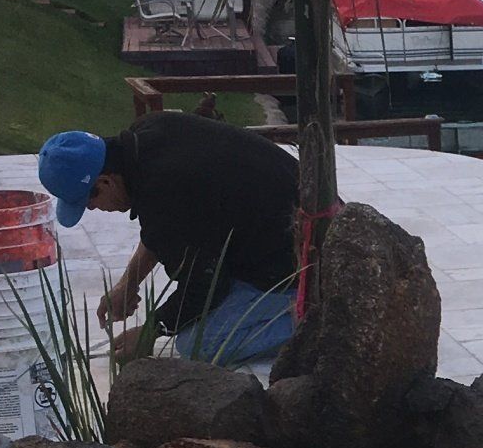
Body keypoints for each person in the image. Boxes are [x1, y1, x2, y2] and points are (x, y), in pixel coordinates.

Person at [38, 114, 300, 365]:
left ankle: (312, 320)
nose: (94, 209)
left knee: (198, 344)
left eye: (89, 203)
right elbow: (164, 226)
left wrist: (150, 331)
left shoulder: (166, 190)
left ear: (105, 182)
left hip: (294, 262)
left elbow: (205, 285)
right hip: (279, 219)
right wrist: (128, 283)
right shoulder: (149, 133)